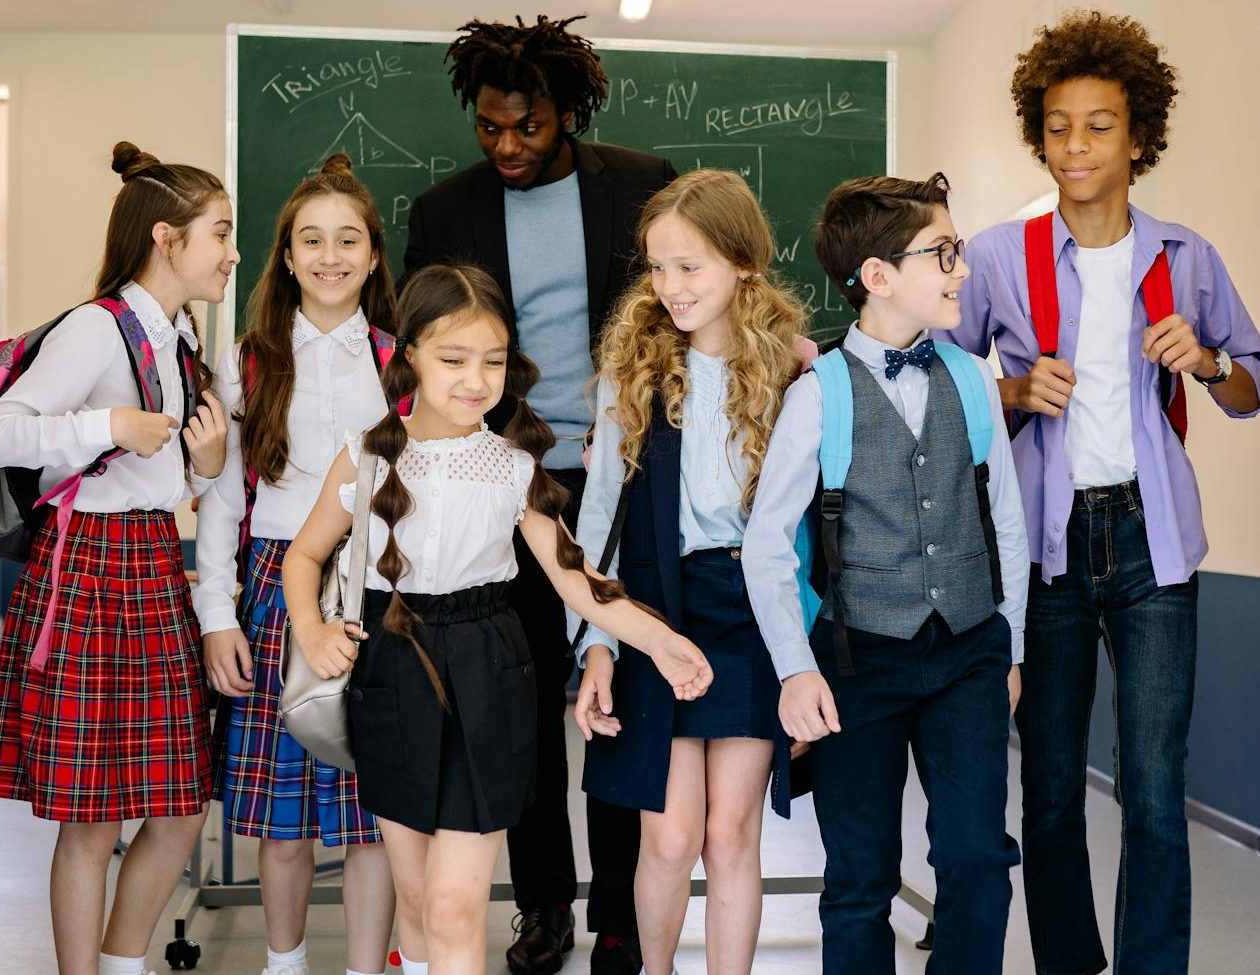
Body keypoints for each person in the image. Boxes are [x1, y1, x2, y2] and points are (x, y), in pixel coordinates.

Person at [280, 263, 710, 975]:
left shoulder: (512, 465)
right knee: (416, 900)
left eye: (494, 360)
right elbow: (304, 556)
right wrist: (314, 630)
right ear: (409, 352)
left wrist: (659, 639)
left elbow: (578, 578)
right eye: (453, 358)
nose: (476, 379)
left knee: (452, 903)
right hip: (392, 669)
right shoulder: (365, 458)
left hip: (488, 673)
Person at [947, 12, 1260, 974]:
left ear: (1139, 138)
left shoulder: (1187, 259)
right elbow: (938, 399)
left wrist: (1206, 363)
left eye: (1098, 125)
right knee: (1045, 786)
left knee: (1156, 788)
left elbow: (1250, 389)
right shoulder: (999, 256)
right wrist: (1006, 390)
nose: (1074, 145)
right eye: (1056, 124)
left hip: (1152, 545)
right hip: (1042, 553)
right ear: (1038, 134)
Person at [401, 15, 677, 975]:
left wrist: (638, 410)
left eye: (527, 126)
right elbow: (425, 356)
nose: (507, 146)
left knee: (615, 693)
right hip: (500, 479)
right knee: (514, 709)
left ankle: (619, 916)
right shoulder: (445, 212)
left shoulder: (644, 185)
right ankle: (545, 907)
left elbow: (676, 319)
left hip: (623, 474)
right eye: (489, 127)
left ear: (568, 110)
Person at [743, 172, 1030, 975]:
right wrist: (796, 671)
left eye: (958, 249)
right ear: (878, 276)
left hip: (969, 649)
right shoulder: (820, 397)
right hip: (856, 660)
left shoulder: (972, 378)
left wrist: (1011, 647)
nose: (961, 270)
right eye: (943, 253)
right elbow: (767, 544)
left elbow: (1002, 518)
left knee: (977, 856)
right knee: (859, 876)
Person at [0, 141, 233, 975]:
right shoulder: (97, 327)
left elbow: (176, 469)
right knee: (90, 814)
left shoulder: (180, 339)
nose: (232, 252)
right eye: (219, 233)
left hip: (153, 563)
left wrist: (211, 462)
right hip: (86, 565)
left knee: (181, 803)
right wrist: (106, 426)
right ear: (166, 238)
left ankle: (121, 965)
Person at [568, 168, 810, 975]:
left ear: (744, 262)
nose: (670, 287)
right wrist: (597, 643)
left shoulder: (793, 374)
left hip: (750, 611)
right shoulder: (631, 369)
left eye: (691, 266)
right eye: (658, 267)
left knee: (731, 830)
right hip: (653, 611)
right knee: (669, 833)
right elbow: (596, 522)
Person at [193, 153, 397, 975]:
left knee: (372, 814)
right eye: (310, 240)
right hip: (277, 590)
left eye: (349, 240)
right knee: (283, 822)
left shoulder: (401, 361)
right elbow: (222, 504)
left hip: (379, 590)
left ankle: (362, 965)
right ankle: (284, 964)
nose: (330, 256)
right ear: (285, 255)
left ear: (375, 256)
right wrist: (216, 615)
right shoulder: (248, 362)